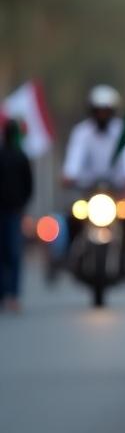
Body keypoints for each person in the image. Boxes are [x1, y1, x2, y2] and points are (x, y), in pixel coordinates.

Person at [62, 85, 125, 191]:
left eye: (106, 111)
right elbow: (74, 159)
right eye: (98, 111)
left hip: (117, 191)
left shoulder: (124, 131)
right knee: (68, 208)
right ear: (92, 111)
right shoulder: (81, 132)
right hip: (88, 190)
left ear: (113, 111)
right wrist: (69, 176)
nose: (102, 115)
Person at [0, 119, 33, 311]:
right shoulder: (19, 156)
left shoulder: (21, 157)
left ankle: (11, 294)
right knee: (9, 253)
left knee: (11, 253)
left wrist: (21, 204)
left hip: (13, 211)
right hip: (10, 211)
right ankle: (8, 294)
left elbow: (28, 185)